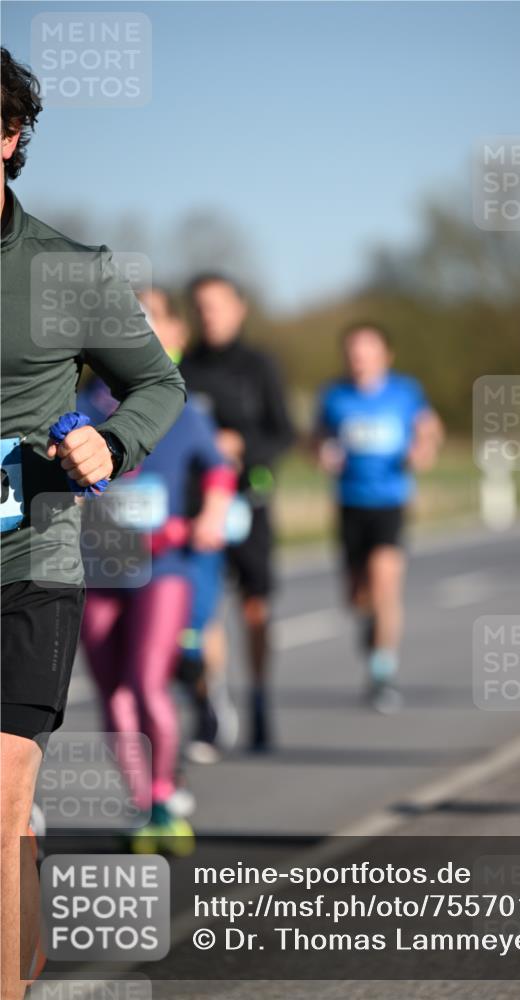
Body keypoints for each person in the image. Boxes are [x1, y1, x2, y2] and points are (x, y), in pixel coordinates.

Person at [0, 48, 185, 1000]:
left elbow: (160, 382)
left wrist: (114, 445)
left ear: (8, 135)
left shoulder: (66, 272)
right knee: (10, 820)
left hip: (28, 564)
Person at [77, 289, 236, 848]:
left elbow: (218, 469)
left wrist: (212, 513)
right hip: (99, 569)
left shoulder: (176, 404)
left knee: (147, 684)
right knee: (113, 692)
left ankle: (166, 792)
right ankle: (144, 805)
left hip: (162, 564)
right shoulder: (81, 406)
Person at [181, 274, 294, 751]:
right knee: (205, 612)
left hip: (250, 503)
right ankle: (213, 707)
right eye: (201, 306)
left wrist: (244, 446)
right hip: (200, 507)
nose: (210, 315)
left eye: (218, 305)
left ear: (239, 308)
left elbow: (284, 433)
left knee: (254, 608)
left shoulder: (259, 366)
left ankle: (261, 698)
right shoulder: (184, 367)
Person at [314, 322, 443, 713]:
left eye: (367, 350)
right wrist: (321, 452)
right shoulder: (334, 396)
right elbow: (316, 438)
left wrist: (422, 449)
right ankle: (370, 627)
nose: (359, 358)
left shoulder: (405, 392)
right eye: (353, 351)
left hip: (390, 500)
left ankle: (383, 671)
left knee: (385, 581)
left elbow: (429, 428)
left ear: (386, 355)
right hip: (350, 502)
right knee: (357, 596)